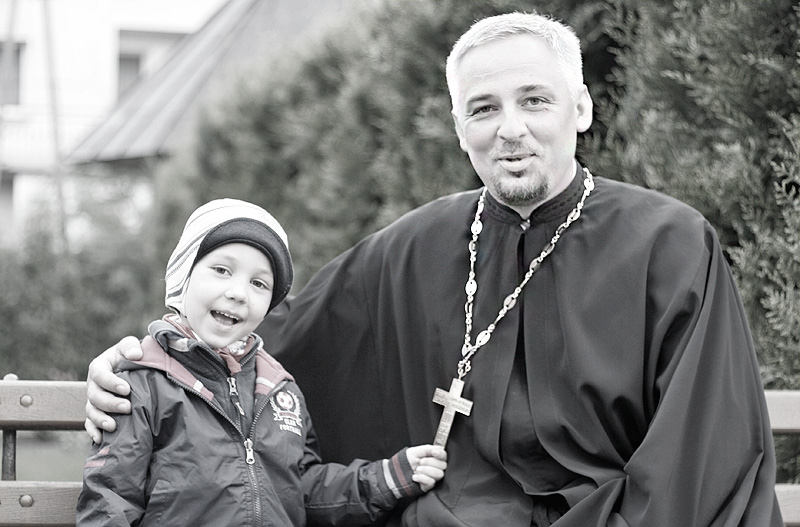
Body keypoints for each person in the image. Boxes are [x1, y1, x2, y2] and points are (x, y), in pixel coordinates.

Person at [82, 12, 784, 527]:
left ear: (581, 108)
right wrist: (139, 363)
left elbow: (703, 455)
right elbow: (251, 340)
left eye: (534, 100)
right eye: (484, 108)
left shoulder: (671, 245)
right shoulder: (413, 247)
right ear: (459, 130)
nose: (510, 128)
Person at [76, 198, 447, 526]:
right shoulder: (143, 380)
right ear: (181, 279)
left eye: (259, 283)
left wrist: (387, 477)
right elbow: (111, 501)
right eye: (221, 270)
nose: (238, 293)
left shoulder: (280, 389)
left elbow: (304, 487)